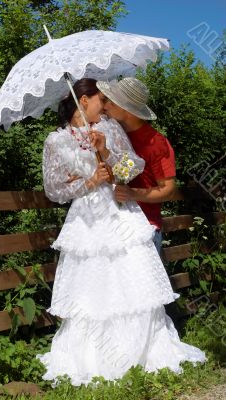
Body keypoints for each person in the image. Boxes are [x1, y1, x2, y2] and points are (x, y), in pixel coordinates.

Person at [37, 78, 206, 387]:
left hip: (121, 210)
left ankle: (141, 353)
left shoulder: (111, 129)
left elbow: (135, 167)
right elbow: (54, 190)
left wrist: (108, 154)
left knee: (131, 279)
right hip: (87, 220)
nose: (106, 105)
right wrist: (88, 182)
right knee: (94, 284)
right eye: (102, 99)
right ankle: (96, 356)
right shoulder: (55, 141)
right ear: (83, 100)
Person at [97, 78, 176, 253]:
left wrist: (133, 193)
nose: (105, 106)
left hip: (145, 228)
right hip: (113, 227)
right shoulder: (112, 134)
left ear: (126, 110)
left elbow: (169, 190)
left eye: (111, 102)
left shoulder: (156, 143)